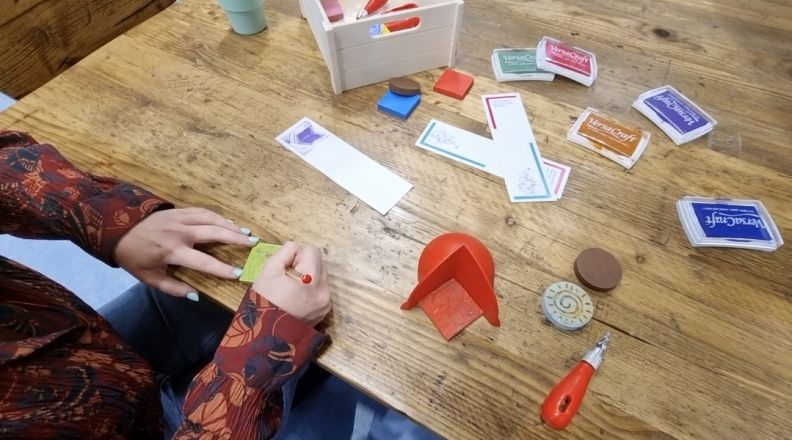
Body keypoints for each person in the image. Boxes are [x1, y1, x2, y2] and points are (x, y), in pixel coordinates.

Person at [0, 130, 332, 438]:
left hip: (85, 349)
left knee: (239, 285)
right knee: (304, 322)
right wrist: (259, 361)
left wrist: (107, 218)